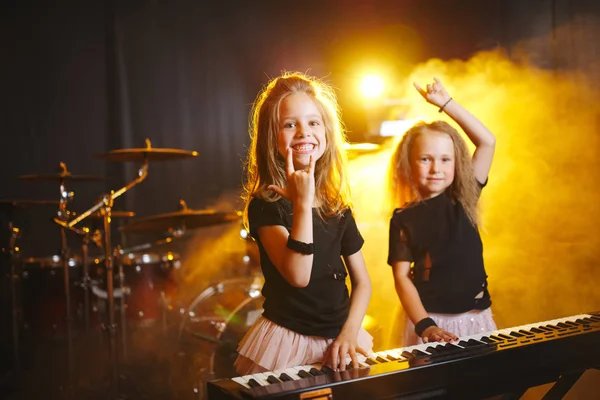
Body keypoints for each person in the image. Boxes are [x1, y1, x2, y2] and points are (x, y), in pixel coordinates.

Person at [234, 71, 373, 376]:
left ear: (327, 131)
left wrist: (349, 333)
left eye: (313, 122)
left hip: (340, 338)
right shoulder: (266, 204)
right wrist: (301, 204)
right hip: (287, 343)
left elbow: (362, 282)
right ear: (272, 138)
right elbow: (299, 275)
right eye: (289, 124)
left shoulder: (336, 204)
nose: (303, 132)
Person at [387, 77, 497, 346]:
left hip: (476, 318)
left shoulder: (463, 198)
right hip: (431, 322)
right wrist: (425, 325)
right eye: (426, 159)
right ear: (408, 165)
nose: (436, 168)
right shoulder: (404, 218)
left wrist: (446, 104)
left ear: (457, 163)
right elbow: (402, 277)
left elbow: (487, 141)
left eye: (445, 160)